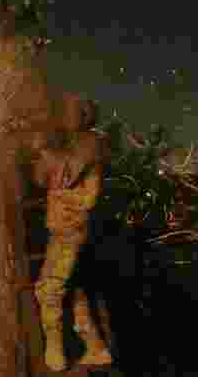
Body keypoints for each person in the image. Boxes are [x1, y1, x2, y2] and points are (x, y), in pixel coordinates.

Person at [30, 94, 113, 372]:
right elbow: (41, 179)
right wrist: (42, 151)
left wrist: (44, 150)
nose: (65, 115)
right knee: (75, 292)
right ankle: (96, 349)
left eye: (72, 110)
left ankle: (55, 352)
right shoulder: (71, 145)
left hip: (72, 229)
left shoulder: (89, 143)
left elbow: (64, 176)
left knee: (49, 289)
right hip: (68, 228)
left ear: (85, 114)